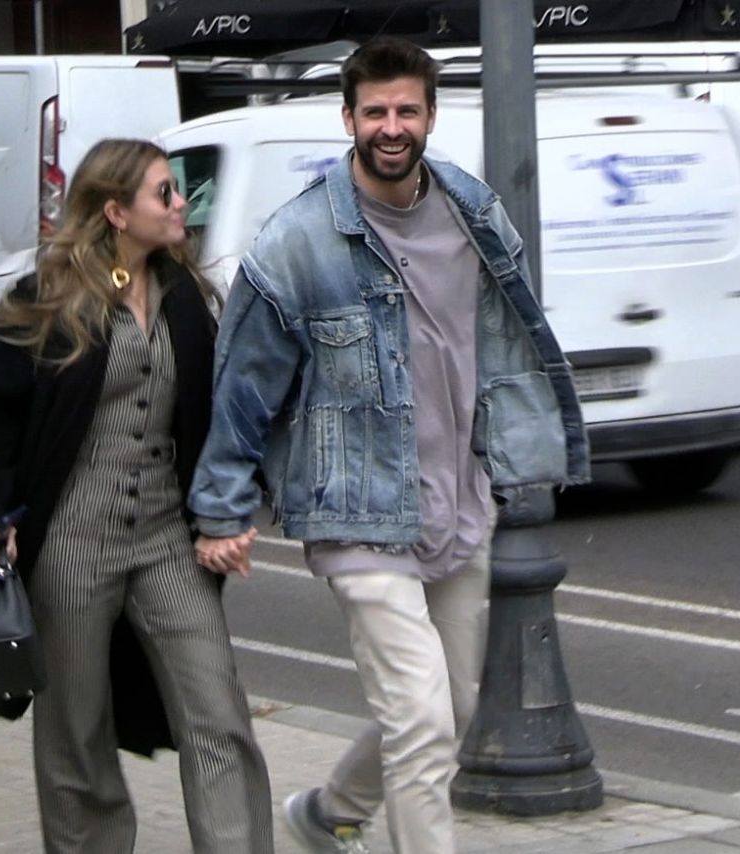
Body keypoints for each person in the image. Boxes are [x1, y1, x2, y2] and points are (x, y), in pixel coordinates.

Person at [189, 38, 589, 853]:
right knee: (422, 722)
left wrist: (516, 452)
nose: (392, 126)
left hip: (457, 501)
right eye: (376, 111)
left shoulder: (474, 212)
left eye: (407, 109)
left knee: (456, 710)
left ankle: (328, 812)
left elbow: (512, 346)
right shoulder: (299, 240)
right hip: (358, 509)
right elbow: (244, 387)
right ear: (349, 119)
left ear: (431, 116)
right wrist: (221, 509)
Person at [0, 138, 273, 854]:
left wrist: (229, 512)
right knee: (77, 732)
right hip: (70, 540)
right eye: (165, 192)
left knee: (218, 715)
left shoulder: (187, 297)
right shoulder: (49, 301)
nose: (181, 202)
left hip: (165, 541)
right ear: (117, 211)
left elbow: (222, 418)